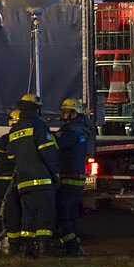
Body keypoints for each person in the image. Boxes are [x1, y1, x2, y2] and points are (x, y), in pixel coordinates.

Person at [7, 93, 59, 258]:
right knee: (45, 214)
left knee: (28, 217)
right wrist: (55, 174)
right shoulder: (39, 126)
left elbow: (10, 157)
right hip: (42, 181)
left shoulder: (14, 130)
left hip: (23, 182)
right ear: (36, 109)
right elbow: (48, 152)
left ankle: (27, 251)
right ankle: (43, 250)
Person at [55, 98, 90, 257]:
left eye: (66, 111)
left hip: (68, 176)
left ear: (74, 113)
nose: (63, 114)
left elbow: (55, 146)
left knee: (64, 213)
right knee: (73, 214)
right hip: (77, 177)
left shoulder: (69, 131)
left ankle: (71, 247)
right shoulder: (81, 128)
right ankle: (75, 244)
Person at [0, 109, 22, 255]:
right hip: (6, 183)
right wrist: (15, 159)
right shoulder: (4, 140)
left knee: (18, 213)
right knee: (11, 213)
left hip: (17, 182)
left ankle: (16, 242)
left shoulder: (19, 140)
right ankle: (11, 243)